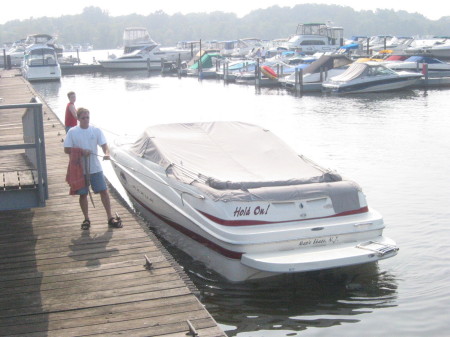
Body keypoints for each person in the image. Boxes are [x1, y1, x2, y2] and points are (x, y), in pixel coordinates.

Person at [64, 107, 122, 230]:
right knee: (83, 194)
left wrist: (106, 153)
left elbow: (104, 145)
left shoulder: (95, 130)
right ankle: (86, 218)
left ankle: (109, 217)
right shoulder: (72, 132)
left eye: (87, 118)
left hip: (95, 168)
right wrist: (81, 151)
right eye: (83, 118)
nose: (86, 120)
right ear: (78, 119)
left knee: (104, 192)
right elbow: (66, 149)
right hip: (80, 170)